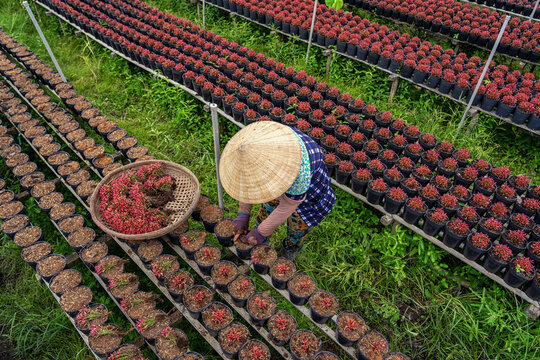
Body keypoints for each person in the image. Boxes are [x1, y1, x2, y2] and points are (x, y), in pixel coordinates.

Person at [219, 122, 336, 260]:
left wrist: (261, 232)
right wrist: (243, 213)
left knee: (296, 232)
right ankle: (257, 251)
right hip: (282, 181)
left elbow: (288, 206)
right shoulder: (258, 139)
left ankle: (287, 258)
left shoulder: (300, 172)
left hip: (309, 197)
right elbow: (246, 183)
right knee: (265, 215)